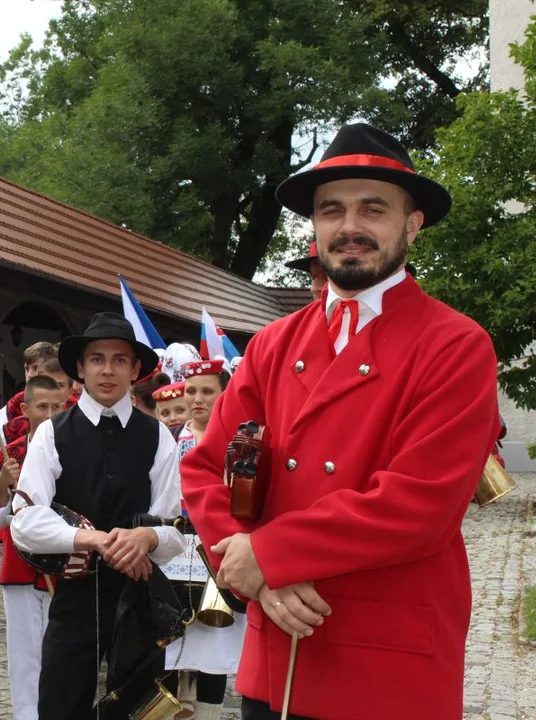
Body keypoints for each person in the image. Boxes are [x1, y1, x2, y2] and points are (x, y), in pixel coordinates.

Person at [180, 123, 499, 720]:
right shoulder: (274, 344)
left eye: (373, 208)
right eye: (332, 210)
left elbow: (419, 505)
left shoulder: (456, 344)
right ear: (316, 227)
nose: (350, 225)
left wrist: (270, 555)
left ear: (412, 223)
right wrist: (251, 569)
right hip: (280, 650)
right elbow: (206, 466)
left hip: (386, 664)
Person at [10, 312, 186, 720]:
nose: (108, 370)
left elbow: (174, 527)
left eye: (119, 360)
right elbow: (25, 520)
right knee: (62, 702)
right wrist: (93, 539)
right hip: (74, 593)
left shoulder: (157, 435)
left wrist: (148, 538)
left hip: (139, 591)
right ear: (81, 368)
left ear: (135, 369)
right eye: (97, 359)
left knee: (140, 708)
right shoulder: (52, 433)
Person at [0, 374, 67, 720]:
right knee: (26, 653)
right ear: (25, 409)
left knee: (62, 651)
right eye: (42, 406)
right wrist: (2, 485)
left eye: (56, 406)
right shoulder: (8, 455)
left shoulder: (74, 449)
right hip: (20, 565)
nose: (49, 413)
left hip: (66, 564)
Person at [163, 359, 242, 720]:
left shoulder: (240, 440)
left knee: (213, 642)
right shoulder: (169, 437)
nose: (197, 399)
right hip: (175, 550)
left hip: (215, 551)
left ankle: (209, 713)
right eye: (192, 391)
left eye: (207, 391)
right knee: (169, 639)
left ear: (224, 393)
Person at [0, 341, 58, 462]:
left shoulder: (70, 401)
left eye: (35, 368)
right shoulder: (14, 405)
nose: (29, 374)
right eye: (27, 368)